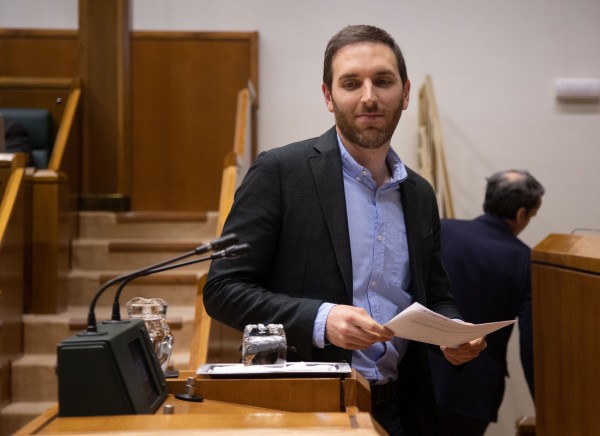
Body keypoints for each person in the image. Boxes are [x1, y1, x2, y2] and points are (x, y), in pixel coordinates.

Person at [204, 24, 486, 436]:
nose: (369, 96)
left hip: (401, 408)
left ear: (404, 94)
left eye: (383, 81)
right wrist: (321, 318)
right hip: (307, 409)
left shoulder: (420, 193)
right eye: (351, 83)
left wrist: (453, 333)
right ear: (328, 96)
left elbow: (434, 293)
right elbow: (223, 290)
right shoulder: (281, 173)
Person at [429, 169, 544, 436]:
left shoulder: (442, 230)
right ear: (521, 214)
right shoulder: (524, 260)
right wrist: (544, 405)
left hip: (423, 377)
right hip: (475, 389)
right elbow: (531, 344)